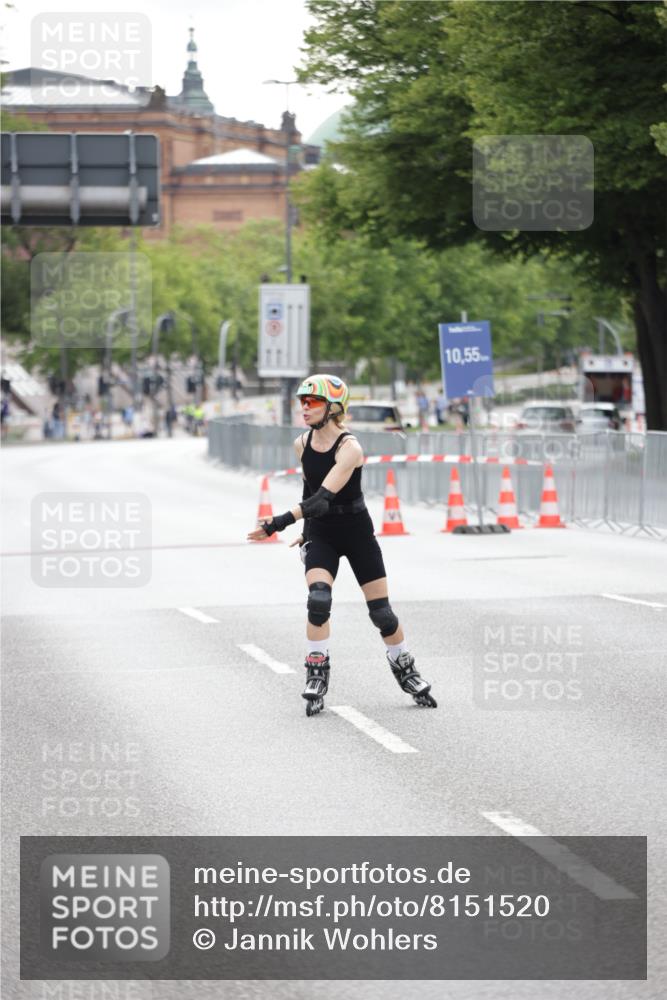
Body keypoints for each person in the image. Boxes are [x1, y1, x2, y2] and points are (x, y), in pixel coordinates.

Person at [246, 373, 437, 716]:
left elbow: (321, 498)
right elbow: (309, 493)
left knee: (381, 613)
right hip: (321, 533)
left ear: (333, 408)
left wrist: (277, 523)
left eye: (312, 401)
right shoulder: (301, 443)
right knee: (318, 600)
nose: (304, 407)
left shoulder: (351, 448)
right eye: (302, 401)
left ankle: (406, 670)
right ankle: (316, 674)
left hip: (356, 532)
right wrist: (306, 530)